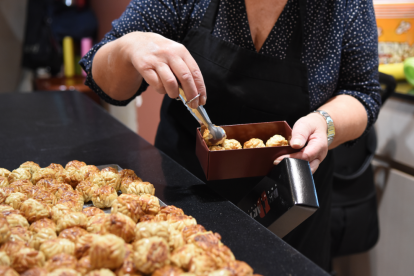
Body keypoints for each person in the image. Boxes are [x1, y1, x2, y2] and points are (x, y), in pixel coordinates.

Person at [80, 0, 381, 271]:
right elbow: (105, 83)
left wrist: (326, 123)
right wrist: (129, 47)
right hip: (184, 201)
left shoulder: (344, 6)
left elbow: (361, 93)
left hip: (290, 208)